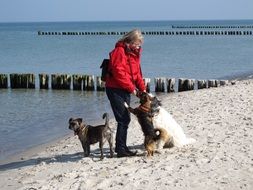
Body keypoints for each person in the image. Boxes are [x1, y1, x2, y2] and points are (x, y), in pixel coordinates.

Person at [105, 29, 146, 157]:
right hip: (114, 89)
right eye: (137, 43)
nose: (138, 46)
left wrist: (142, 89)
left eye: (139, 44)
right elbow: (119, 74)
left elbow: (137, 74)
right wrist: (132, 89)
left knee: (125, 119)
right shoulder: (119, 52)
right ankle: (121, 149)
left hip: (124, 89)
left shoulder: (134, 53)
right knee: (123, 118)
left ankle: (121, 147)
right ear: (129, 41)